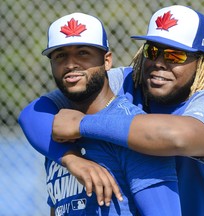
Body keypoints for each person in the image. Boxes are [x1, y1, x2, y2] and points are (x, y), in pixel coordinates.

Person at [19, 5, 204, 216]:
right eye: (153, 50)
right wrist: (69, 158)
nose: (159, 62)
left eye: (175, 55)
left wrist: (81, 124)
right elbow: (34, 113)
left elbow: (173, 137)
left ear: (203, 62)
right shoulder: (129, 82)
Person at [18, 12, 182, 216]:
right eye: (60, 56)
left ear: (107, 61)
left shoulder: (134, 131)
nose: (71, 65)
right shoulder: (57, 134)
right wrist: (72, 159)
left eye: (83, 53)